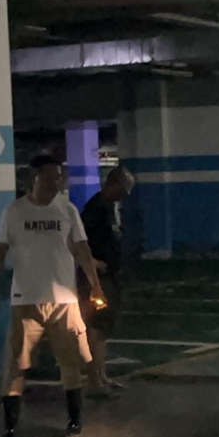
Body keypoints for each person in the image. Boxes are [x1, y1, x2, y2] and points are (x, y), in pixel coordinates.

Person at [0, 154, 106, 437]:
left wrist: (95, 286)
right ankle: (10, 428)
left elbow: (82, 250)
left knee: (70, 363)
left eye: (60, 176)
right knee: (16, 366)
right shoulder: (14, 212)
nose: (59, 181)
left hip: (65, 302)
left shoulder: (67, 209)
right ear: (35, 178)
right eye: (53, 176)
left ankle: (74, 422)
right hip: (25, 300)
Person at [79, 165, 136, 394]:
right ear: (112, 184)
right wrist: (93, 263)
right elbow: (78, 242)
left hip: (110, 276)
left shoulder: (110, 207)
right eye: (122, 189)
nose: (123, 195)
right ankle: (94, 380)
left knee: (103, 329)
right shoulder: (95, 209)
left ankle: (101, 376)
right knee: (95, 327)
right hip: (97, 279)